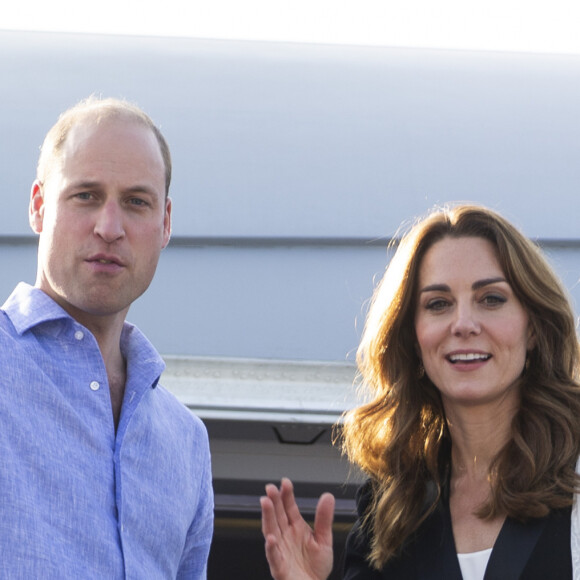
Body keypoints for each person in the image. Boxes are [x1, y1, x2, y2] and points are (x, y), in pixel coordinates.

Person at [261, 204, 580, 579]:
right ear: (412, 338)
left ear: (535, 328)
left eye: (491, 299)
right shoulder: (390, 509)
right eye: (438, 304)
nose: (463, 324)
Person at [0, 97, 213, 578]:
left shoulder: (186, 444)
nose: (109, 227)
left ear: (165, 224)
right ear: (37, 206)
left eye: (136, 202)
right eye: (86, 196)